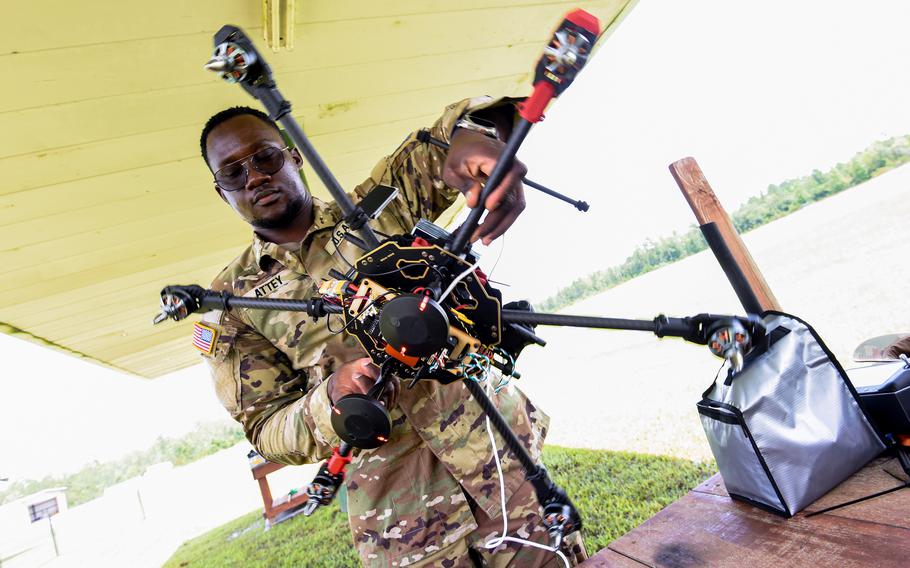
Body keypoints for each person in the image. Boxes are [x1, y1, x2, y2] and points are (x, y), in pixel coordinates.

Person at [196, 97, 587, 567]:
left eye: (266, 157)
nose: (255, 176)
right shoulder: (232, 303)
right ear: (222, 192)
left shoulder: (374, 209)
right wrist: (330, 400)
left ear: (293, 156)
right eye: (234, 173)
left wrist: (474, 140)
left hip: (502, 469)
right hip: (404, 525)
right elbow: (265, 426)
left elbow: (443, 144)